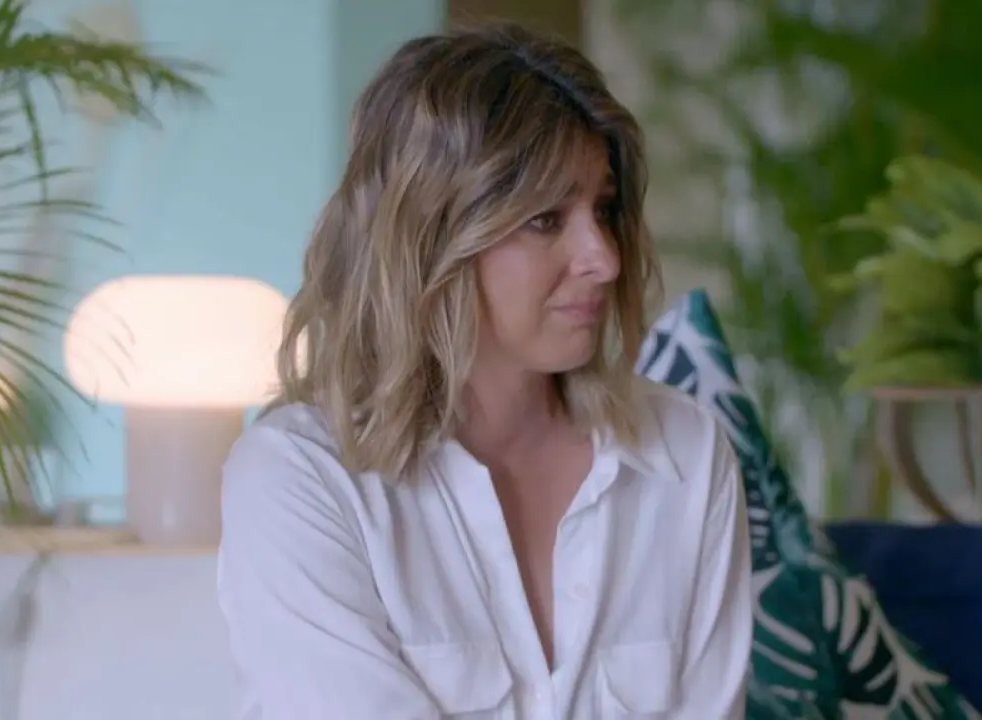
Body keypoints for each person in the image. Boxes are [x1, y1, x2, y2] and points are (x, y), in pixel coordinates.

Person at [216, 22, 752, 720]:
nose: (604, 258)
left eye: (603, 209)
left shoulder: (685, 454)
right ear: (429, 237)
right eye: (545, 219)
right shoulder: (301, 478)